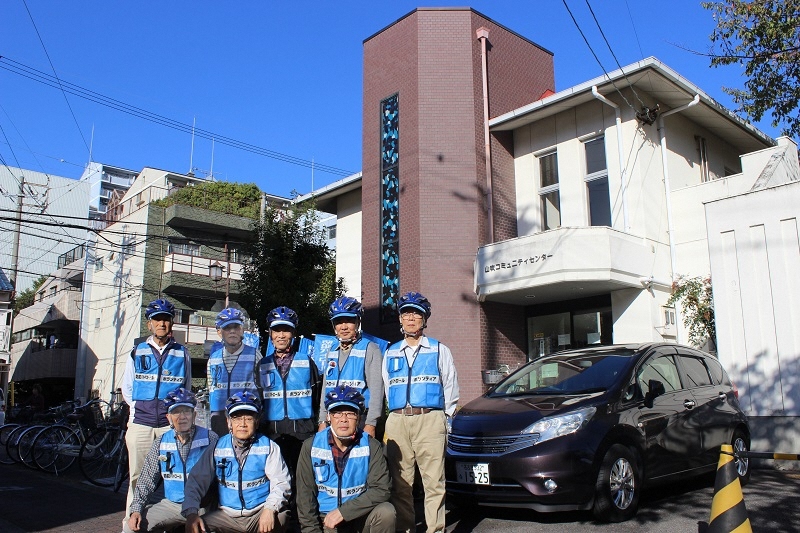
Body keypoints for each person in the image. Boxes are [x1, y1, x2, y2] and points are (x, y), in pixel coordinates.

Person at [382, 292, 459, 533]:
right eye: (406, 314)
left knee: (434, 483)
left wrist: (445, 419)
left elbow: (451, 387)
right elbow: (387, 387)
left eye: (416, 314)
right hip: (398, 420)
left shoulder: (439, 350)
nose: (411, 318)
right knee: (401, 484)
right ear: (400, 319)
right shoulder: (391, 352)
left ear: (424, 319)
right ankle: (406, 529)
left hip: (430, 419)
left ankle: (435, 530)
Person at [121, 298, 192, 522]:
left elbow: (187, 387)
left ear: (172, 323)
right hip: (141, 423)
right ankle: (130, 522)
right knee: (137, 476)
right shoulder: (137, 351)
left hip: (170, 426)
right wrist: (137, 409)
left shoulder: (182, 353)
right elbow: (127, 386)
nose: (162, 323)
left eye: (166, 319)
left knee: (176, 475)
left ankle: (171, 522)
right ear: (149, 324)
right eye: (157, 319)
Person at [182, 391, 290, 533]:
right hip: (226, 515)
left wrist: (270, 508)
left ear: (257, 422)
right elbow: (195, 482)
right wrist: (191, 512)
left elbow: (281, 482)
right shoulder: (217, 447)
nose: (242, 424)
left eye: (248, 419)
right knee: (196, 527)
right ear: (229, 422)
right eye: (237, 418)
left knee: (281, 517)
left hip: (259, 512)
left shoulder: (269, 447)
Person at [297, 385, 395, 533]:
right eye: (337, 413)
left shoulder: (371, 446)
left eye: (350, 413)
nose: (343, 419)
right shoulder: (311, 446)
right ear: (328, 417)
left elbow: (382, 489)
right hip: (326, 520)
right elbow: (305, 496)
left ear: (359, 418)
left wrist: (344, 512)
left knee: (386, 512)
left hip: (359, 517)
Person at [124, 388, 217, 533]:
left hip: (202, 505)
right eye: (176, 412)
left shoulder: (210, 438)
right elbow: (147, 479)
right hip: (173, 504)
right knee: (130, 528)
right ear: (168, 418)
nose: (182, 417)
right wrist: (136, 510)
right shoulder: (161, 442)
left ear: (194, 415)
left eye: (186, 411)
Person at [256, 306, 320, 482]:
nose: (281, 335)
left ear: (293, 333)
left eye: (286, 330)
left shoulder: (306, 362)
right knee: (276, 480)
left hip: (303, 432)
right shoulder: (262, 365)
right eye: (277, 331)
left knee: (303, 480)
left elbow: (317, 397)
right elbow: (259, 400)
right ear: (270, 334)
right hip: (272, 433)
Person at [316, 297, 384, 438]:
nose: (344, 327)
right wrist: (322, 420)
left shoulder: (370, 348)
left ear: (357, 322)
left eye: (348, 321)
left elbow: (377, 391)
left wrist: (371, 424)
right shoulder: (332, 350)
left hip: (359, 418)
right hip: (334, 417)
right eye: (339, 322)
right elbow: (325, 388)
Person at [208, 307, 259, 436]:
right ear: (219, 332)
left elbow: (263, 387)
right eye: (227, 328)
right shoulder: (213, 359)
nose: (232, 331)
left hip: (245, 414)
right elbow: (211, 388)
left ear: (242, 330)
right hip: (219, 416)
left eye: (236, 327)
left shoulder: (255, 355)